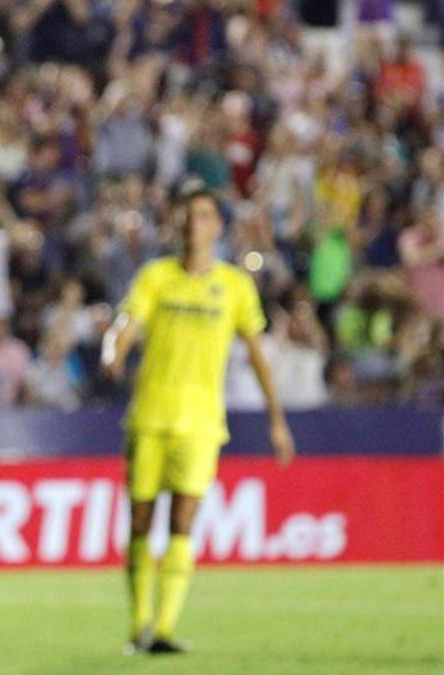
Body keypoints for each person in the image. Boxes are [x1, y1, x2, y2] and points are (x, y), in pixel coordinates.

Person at [101, 187, 296, 655]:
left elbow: (258, 356)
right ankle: (139, 625)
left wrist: (277, 421)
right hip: (150, 417)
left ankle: (164, 629)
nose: (194, 224)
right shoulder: (156, 276)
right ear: (178, 225)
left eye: (204, 216)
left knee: (184, 521)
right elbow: (128, 322)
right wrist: (117, 350)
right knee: (142, 522)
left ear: (218, 226)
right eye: (188, 216)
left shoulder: (235, 286)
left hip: (203, 423)